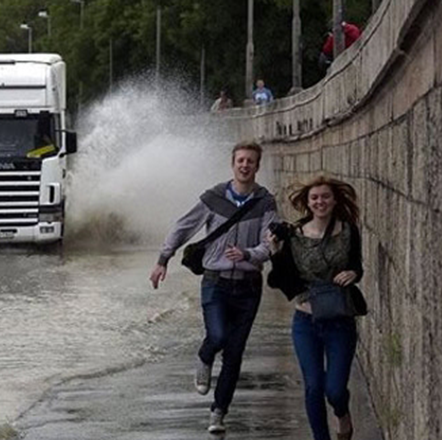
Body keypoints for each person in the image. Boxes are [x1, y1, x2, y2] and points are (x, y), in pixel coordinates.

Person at [149, 141, 278, 434]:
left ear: (257, 167)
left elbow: (270, 244)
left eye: (251, 162)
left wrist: (248, 254)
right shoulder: (214, 197)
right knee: (218, 336)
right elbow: (183, 227)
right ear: (233, 164)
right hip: (215, 282)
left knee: (235, 353)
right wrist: (162, 260)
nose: (245, 165)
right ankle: (205, 357)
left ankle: (218, 413)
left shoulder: (265, 202)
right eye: (241, 160)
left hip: (248, 287)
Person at [267, 175, 363, 440]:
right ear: (307, 203)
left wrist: (354, 273)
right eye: (315, 198)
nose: (320, 201)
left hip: (339, 321)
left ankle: (342, 413)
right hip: (305, 323)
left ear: (334, 200)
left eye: (325, 197)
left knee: (334, 390)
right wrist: (276, 252)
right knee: (313, 388)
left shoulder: (348, 230)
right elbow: (282, 281)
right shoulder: (295, 234)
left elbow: (357, 265)